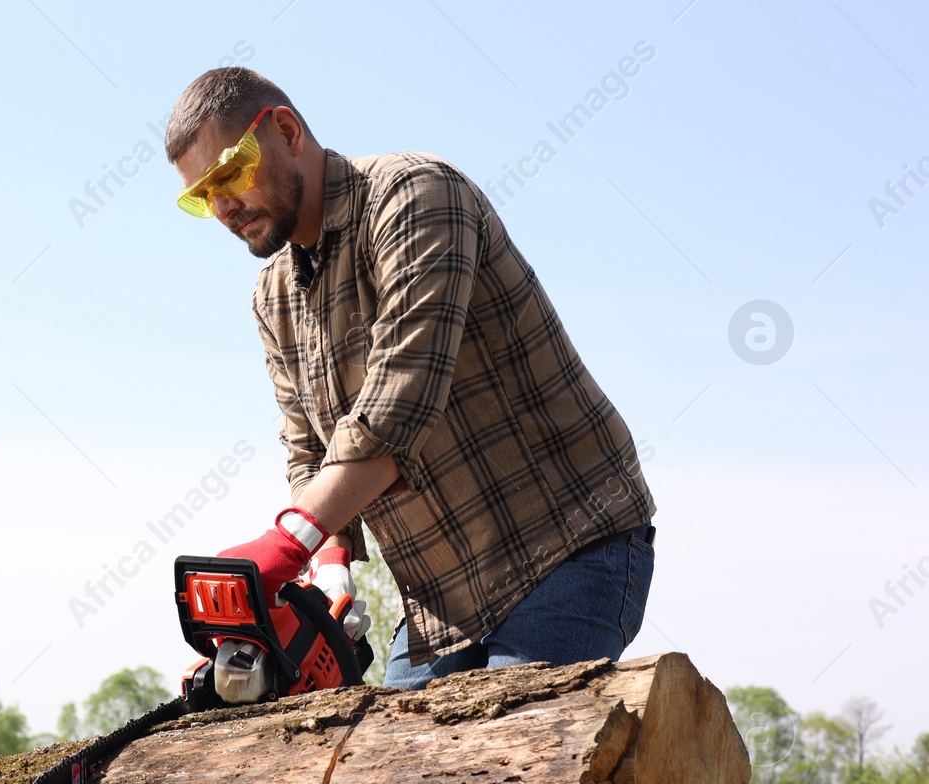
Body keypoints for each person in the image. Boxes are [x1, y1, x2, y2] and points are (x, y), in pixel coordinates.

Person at [166, 68, 655, 688]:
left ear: (285, 130)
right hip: (440, 597)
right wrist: (328, 571)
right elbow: (306, 450)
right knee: (386, 772)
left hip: (569, 545)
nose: (223, 207)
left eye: (228, 173)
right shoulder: (273, 294)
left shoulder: (415, 196)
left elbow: (401, 405)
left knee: (501, 762)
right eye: (201, 196)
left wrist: (286, 545)